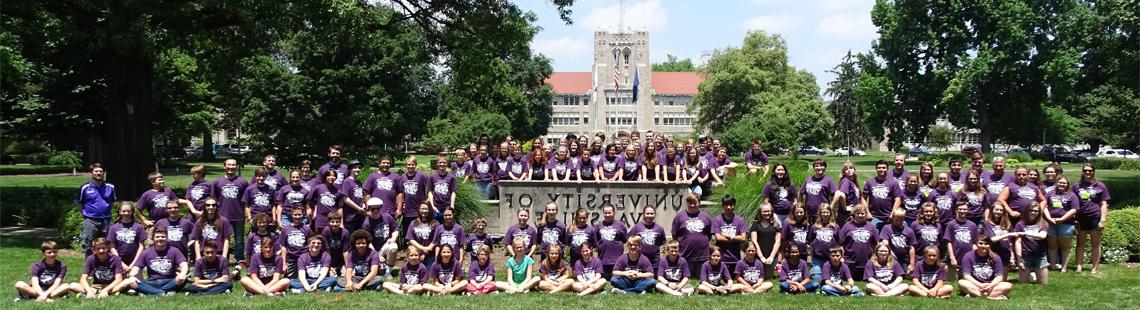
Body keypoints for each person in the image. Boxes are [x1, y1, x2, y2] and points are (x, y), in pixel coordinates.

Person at [127, 228, 189, 296]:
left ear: (167, 238)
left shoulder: (174, 251)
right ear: (153, 238)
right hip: (152, 282)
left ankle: (149, 291)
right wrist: (131, 276)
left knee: (185, 278)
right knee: (132, 282)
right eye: (157, 237)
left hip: (170, 281)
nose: (160, 239)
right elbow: (136, 268)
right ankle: (163, 293)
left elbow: (184, 264)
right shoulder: (146, 252)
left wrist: (182, 273)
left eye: (163, 237)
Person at [1074, 163, 1109, 273]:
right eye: (1085, 170)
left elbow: (1104, 203)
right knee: (1080, 243)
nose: (1087, 172)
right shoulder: (1076, 186)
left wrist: (1103, 219)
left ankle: (1094, 267)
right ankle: (1079, 266)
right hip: (1081, 218)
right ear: (1082, 171)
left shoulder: (1100, 186)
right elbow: (1073, 203)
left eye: (1090, 170)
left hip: (1095, 216)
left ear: (1093, 171)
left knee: (1095, 244)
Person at [213, 158, 249, 263]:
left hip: (239, 215)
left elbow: (246, 199)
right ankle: (222, 258)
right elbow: (213, 199)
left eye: (233, 165)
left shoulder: (243, 182)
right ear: (224, 166)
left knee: (239, 240)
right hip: (222, 215)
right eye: (229, 165)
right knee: (221, 238)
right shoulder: (217, 182)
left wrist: (247, 213)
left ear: (237, 166)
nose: (231, 167)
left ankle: (240, 259)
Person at [76, 163, 117, 253]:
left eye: (101, 171)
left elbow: (112, 202)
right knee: (88, 246)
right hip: (90, 220)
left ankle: (105, 266)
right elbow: (79, 203)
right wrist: (84, 214)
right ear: (92, 173)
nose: (98, 173)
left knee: (107, 244)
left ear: (104, 173)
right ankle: (89, 266)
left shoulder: (110, 187)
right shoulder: (85, 187)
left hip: (107, 220)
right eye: (96, 171)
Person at [673, 193, 712, 274]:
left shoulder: (706, 216)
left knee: (701, 278)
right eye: (690, 203)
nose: (693, 205)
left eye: (695, 203)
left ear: (699, 203)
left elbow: (709, 234)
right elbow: (674, 234)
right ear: (687, 203)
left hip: (702, 257)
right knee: (687, 277)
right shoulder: (679, 216)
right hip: (686, 256)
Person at [1046, 176, 1078, 271]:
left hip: (1066, 224)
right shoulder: (1050, 194)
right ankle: (1052, 266)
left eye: (1064, 183)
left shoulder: (1072, 195)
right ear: (1057, 183)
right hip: (1051, 223)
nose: (1061, 184)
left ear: (1067, 185)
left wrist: (1062, 219)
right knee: (1052, 246)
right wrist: (1049, 218)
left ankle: (1064, 268)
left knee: (1065, 247)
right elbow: (1044, 206)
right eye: (1060, 182)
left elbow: (1074, 209)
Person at [839, 204, 877, 281]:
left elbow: (877, 243)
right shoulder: (847, 226)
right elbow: (840, 244)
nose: (860, 215)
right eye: (858, 213)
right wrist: (841, 257)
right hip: (850, 263)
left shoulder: (871, 226)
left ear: (866, 214)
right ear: (854, 214)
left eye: (862, 213)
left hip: (867, 263)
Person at [362, 197, 399, 275]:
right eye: (373, 209)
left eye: (378, 208)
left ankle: (388, 272)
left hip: (386, 245)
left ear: (381, 208)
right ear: (369, 209)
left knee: (394, 247)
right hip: (373, 249)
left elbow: (395, 229)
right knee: (378, 271)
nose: (375, 211)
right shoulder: (366, 224)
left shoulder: (387, 217)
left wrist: (393, 238)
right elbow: (368, 242)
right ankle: (381, 266)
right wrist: (376, 254)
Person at [1014, 204, 1050, 284]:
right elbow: (1018, 242)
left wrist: (1024, 233)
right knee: (1024, 285)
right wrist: (1019, 259)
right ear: (1027, 211)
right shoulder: (1020, 224)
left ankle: (1033, 274)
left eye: (1036, 211)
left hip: (1040, 255)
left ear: (1039, 212)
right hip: (1025, 255)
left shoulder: (1043, 223)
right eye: (1031, 210)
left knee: (1044, 285)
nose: (1033, 213)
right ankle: (1031, 275)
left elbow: (1042, 236)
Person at [712, 195, 749, 272]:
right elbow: (718, 238)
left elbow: (743, 238)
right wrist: (736, 238)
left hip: (735, 258)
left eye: (731, 205)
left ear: (734, 205)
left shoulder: (740, 220)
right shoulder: (717, 220)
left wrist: (728, 236)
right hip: (721, 258)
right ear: (723, 206)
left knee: (735, 279)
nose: (728, 207)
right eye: (726, 205)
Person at [107, 202, 147, 273]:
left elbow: (141, 246)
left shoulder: (139, 227)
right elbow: (112, 247)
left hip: (135, 260)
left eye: (128, 211)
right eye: (123, 211)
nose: (126, 213)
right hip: (119, 260)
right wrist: (121, 263)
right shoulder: (113, 228)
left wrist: (134, 263)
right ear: (119, 212)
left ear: (132, 212)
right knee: (121, 283)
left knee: (136, 282)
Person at [362, 156, 404, 221]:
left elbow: (400, 193)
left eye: (388, 163)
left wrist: (399, 209)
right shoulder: (372, 176)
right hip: (375, 210)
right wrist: (368, 208)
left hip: (391, 211)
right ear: (379, 164)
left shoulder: (396, 177)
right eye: (383, 163)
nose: (385, 165)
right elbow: (367, 193)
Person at [863, 160, 901, 229]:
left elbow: (898, 199)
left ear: (887, 169)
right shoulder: (870, 182)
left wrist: (892, 214)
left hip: (888, 217)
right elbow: (863, 198)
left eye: (884, 168)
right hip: (873, 217)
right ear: (876, 169)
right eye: (879, 168)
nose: (881, 169)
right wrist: (867, 212)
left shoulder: (893, 183)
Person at [944, 202, 978, 279]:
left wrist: (975, 256)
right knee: (952, 281)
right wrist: (952, 257)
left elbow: (974, 243)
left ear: (968, 210)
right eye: (960, 209)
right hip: (955, 256)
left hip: (968, 257)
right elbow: (948, 242)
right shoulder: (951, 224)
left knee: (966, 279)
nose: (962, 211)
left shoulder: (972, 225)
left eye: (964, 209)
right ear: (956, 210)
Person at [594, 203, 628, 279]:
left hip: (617, 259)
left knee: (616, 278)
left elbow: (625, 240)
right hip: (603, 259)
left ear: (614, 213)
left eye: (609, 213)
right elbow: (596, 240)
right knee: (604, 278)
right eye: (605, 213)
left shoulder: (621, 225)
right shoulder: (599, 226)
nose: (607, 215)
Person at [400, 156, 431, 241]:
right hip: (407, 211)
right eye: (409, 164)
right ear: (406, 165)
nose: (411, 166)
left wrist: (428, 201)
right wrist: (401, 204)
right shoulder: (402, 177)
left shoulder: (421, 176)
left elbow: (430, 188)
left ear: (416, 165)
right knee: (408, 234)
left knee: (420, 232)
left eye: (412, 164)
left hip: (420, 210)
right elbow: (399, 193)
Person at [278, 204, 313, 278]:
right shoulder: (286, 229)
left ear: (303, 214)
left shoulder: (307, 229)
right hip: (290, 259)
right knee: (290, 280)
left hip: (304, 258)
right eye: (295, 214)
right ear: (291, 214)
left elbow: (311, 245)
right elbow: (283, 246)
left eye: (299, 214)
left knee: (305, 278)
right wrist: (284, 263)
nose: (297, 217)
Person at [982, 203, 1016, 278]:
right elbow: (993, 239)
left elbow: (1011, 242)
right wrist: (1007, 234)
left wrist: (1012, 257)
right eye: (997, 209)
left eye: (1001, 210)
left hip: (1006, 253)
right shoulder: (987, 224)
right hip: (993, 254)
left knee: (1003, 280)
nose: (999, 212)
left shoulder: (1007, 224)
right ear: (992, 210)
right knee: (991, 278)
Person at [749, 203, 781, 280]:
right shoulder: (755, 224)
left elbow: (778, 242)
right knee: (758, 277)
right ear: (760, 212)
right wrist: (761, 257)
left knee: (769, 277)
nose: (766, 213)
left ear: (772, 211)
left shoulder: (776, 224)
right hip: (758, 256)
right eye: (764, 211)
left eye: (768, 211)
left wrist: (771, 257)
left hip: (773, 256)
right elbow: (754, 241)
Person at [880, 208, 917, 273]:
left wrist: (912, 264)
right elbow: (885, 243)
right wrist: (892, 255)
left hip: (904, 258)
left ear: (904, 219)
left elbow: (911, 248)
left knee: (907, 273)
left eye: (901, 220)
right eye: (896, 220)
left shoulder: (909, 231)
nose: (898, 222)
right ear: (893, 218)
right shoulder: (887, 228)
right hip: (891, 256)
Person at [811, 205, 839, 282]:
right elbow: (811, 242)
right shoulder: (814, 227)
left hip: (830, 258)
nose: (825, 214)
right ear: (820, 213)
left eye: (827, 212)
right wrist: (811, 255)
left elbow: (838, 243)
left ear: (830, 213)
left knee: (831, 279)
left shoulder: (835, 227)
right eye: (823, 212)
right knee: (816, 279)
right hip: (817, 258)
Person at [406, 203, 439, 267]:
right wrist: (422, 249)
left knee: (429, 273)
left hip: (430, 252)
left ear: (430, 210)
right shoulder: (413, 223)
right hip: (416, 253)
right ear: (419, 210)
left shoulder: (435, 223)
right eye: (422, 209)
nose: (424, 211)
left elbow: (436, 239)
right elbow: (410, 239)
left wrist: (425, 252)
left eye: (426, 209)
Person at [428, 155, 457, 220]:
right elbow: (430, 192)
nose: (442, 164)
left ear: (447, 163)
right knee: (436, 225)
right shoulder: (432, 177)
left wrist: (452, 206)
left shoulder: (451, 177)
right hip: (436, 206)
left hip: (447, 205)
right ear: (437, 163)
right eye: (440, 162)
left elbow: (453, 192)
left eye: (444, 162)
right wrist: (432, 206)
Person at [340, 160, 366, 232]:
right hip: (350, 217)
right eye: (355, 168)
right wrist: (358, 208)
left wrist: (363, 205)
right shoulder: (347, 181)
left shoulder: (358, 182)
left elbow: (361, 196)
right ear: (350, 169)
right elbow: (345, 199)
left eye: (359, 168)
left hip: (360, 215)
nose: (357, 169)